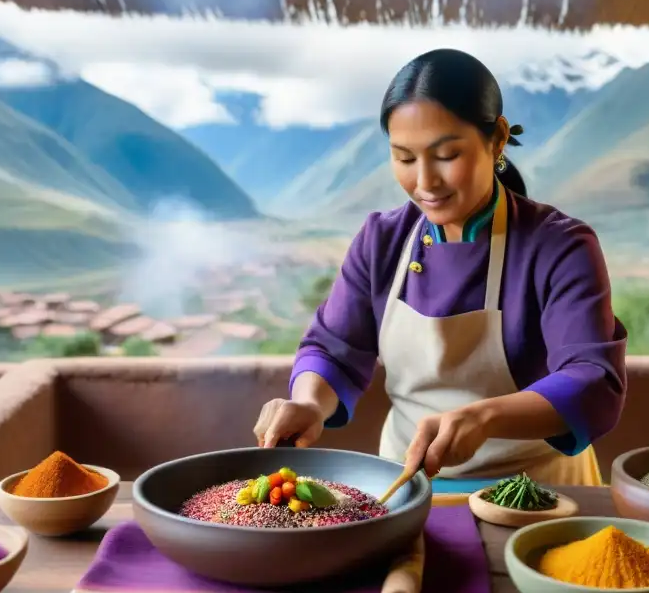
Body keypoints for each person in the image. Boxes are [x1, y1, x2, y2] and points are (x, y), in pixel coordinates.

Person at [253, 48, 627, 485]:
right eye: (405, 158)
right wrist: (310, 403)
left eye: (446, 155)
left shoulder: (559, 245)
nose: (425, 182)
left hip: (539, 497)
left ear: (498, 138)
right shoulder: (381, 241)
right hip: (407, 488)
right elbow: (332, 346)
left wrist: (484, 417)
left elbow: (593, 380)